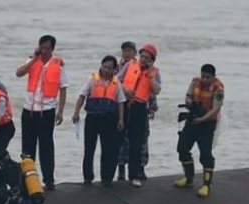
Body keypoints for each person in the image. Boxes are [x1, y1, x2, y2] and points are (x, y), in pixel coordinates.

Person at [15, 34, 69, 191]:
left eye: (47, 48)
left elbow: (63, 88)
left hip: (46, 111)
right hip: (29, 110)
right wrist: (33, 59)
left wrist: (60, 111)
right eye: (41, 47)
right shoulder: (33, 61)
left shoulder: (58, 64)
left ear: (52, 48)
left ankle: (49, 180)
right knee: (27, 148)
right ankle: (28, 181)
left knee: (46, 146)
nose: (44, 50)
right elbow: (18, 73)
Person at [72, 55, 126, 187]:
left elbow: (121, 102)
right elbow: (82, 96)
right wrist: (76, 113)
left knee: (107, 150)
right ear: (101, 66)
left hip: (108, 119)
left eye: (110, 68)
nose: (106, 70)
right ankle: (88, 177)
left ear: (114, 69)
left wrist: (121, 119)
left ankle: (106, 178)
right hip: (92, 118)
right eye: (105, 67)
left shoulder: (116, 83)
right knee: (89, 149)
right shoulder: (92, 79)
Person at [174, 64, 224, 198]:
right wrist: (189, 102)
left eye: (208, 77)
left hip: (207, 124)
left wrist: (202, 119)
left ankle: (207, 184)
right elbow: (188, 96)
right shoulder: (195, 82)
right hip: (192, 120)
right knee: (182, 148)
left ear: (213, 77)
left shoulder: (218, 89)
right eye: (203, 76)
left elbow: (216, 109)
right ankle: (188, 178)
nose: (204, 79)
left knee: (205, 154)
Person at [118, 43, 161, 187]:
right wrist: (124, 89)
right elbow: (117, 79)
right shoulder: (130, 65)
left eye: (147, 58)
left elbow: (156, 90)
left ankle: (134, 175)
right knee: (119, 138)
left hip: (140, 107)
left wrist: (149, 75)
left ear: (152, 60)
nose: (143, 60)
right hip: (124, 103)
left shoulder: (154, 72)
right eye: (142, 56)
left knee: (137, 142)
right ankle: (116, 171)